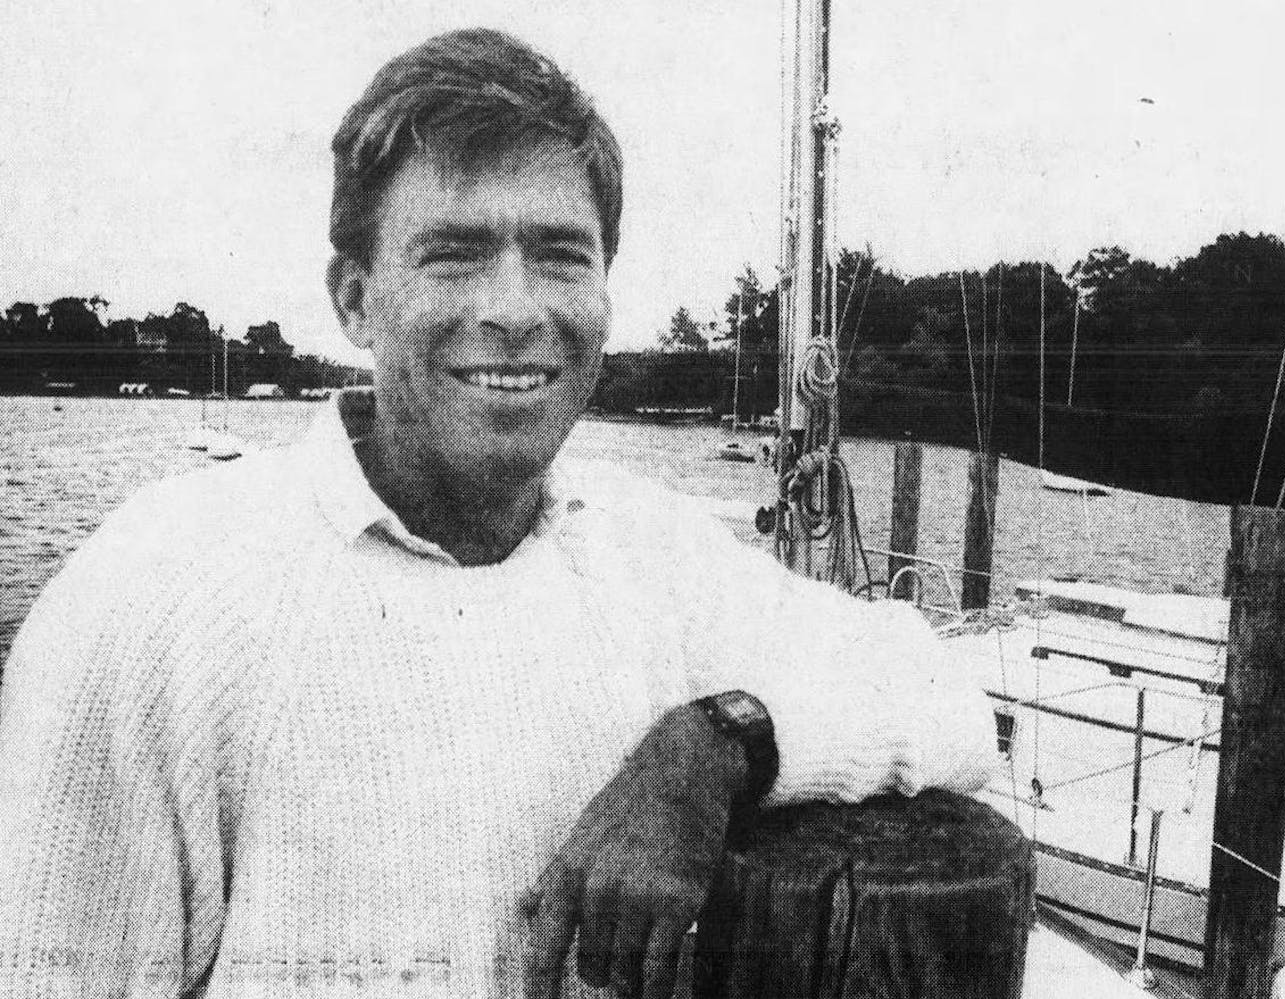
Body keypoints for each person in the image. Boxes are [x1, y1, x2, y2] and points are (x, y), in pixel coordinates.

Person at [0, 28, 999, 999]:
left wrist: (715, 748)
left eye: (561, 255)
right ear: (354, 299)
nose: (517, 308)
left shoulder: (650, 553)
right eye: (455, 254)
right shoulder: (153, 601)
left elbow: (950, 701)